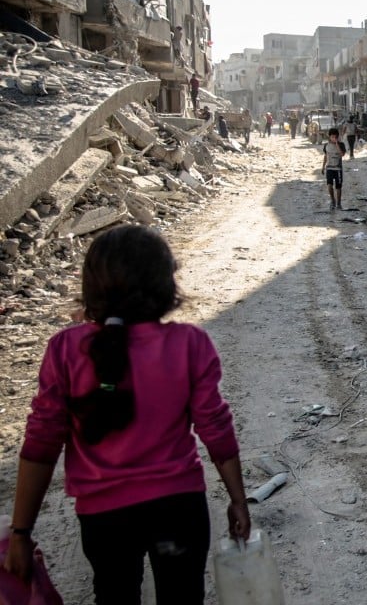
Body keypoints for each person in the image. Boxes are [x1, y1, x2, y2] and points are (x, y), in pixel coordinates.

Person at [3, 225, 250, 603]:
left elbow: (41, 443)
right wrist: (238, 499)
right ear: (164, 283)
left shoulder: (65, 350)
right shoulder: (188, 343)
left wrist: (21, 532)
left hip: (105, 521)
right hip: (178, 510)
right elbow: (215, 428)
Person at [322, 127, 347, 211]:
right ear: (329, 137)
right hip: (329, 168)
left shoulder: (341, 145)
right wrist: (323, 166)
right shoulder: (326, 146)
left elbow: (342, 154)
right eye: (332, 137)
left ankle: (339, 203)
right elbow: (325, 156)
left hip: (338, 169)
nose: (334, 138)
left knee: (338, 187)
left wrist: (337, 145)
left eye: (335, 137)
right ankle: (333, 200)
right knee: (329, 185)